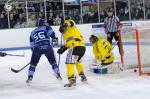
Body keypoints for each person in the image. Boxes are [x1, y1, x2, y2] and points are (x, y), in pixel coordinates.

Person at [26, 19, 62, 83]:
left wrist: (34, 54)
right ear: (44, 23)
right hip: (47, 46)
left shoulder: (32, 32)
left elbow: (32, 46)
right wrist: (55, 44)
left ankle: (30, 77)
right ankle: (58, 74)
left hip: (37, 48)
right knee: (53, 62)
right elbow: (53, 36)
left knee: (33, 64)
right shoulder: (47, 27)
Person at [58, 17, 87, 87]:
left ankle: (72, 79)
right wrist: (63, 48)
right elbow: (69, 42)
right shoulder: (68, 33)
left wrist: (65, 24)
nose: (63, 32)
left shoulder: (70, 24)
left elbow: (71, 23)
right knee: (78, 62)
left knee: (69, 63)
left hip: (75, 47)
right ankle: (83, 76)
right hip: (82, 47)